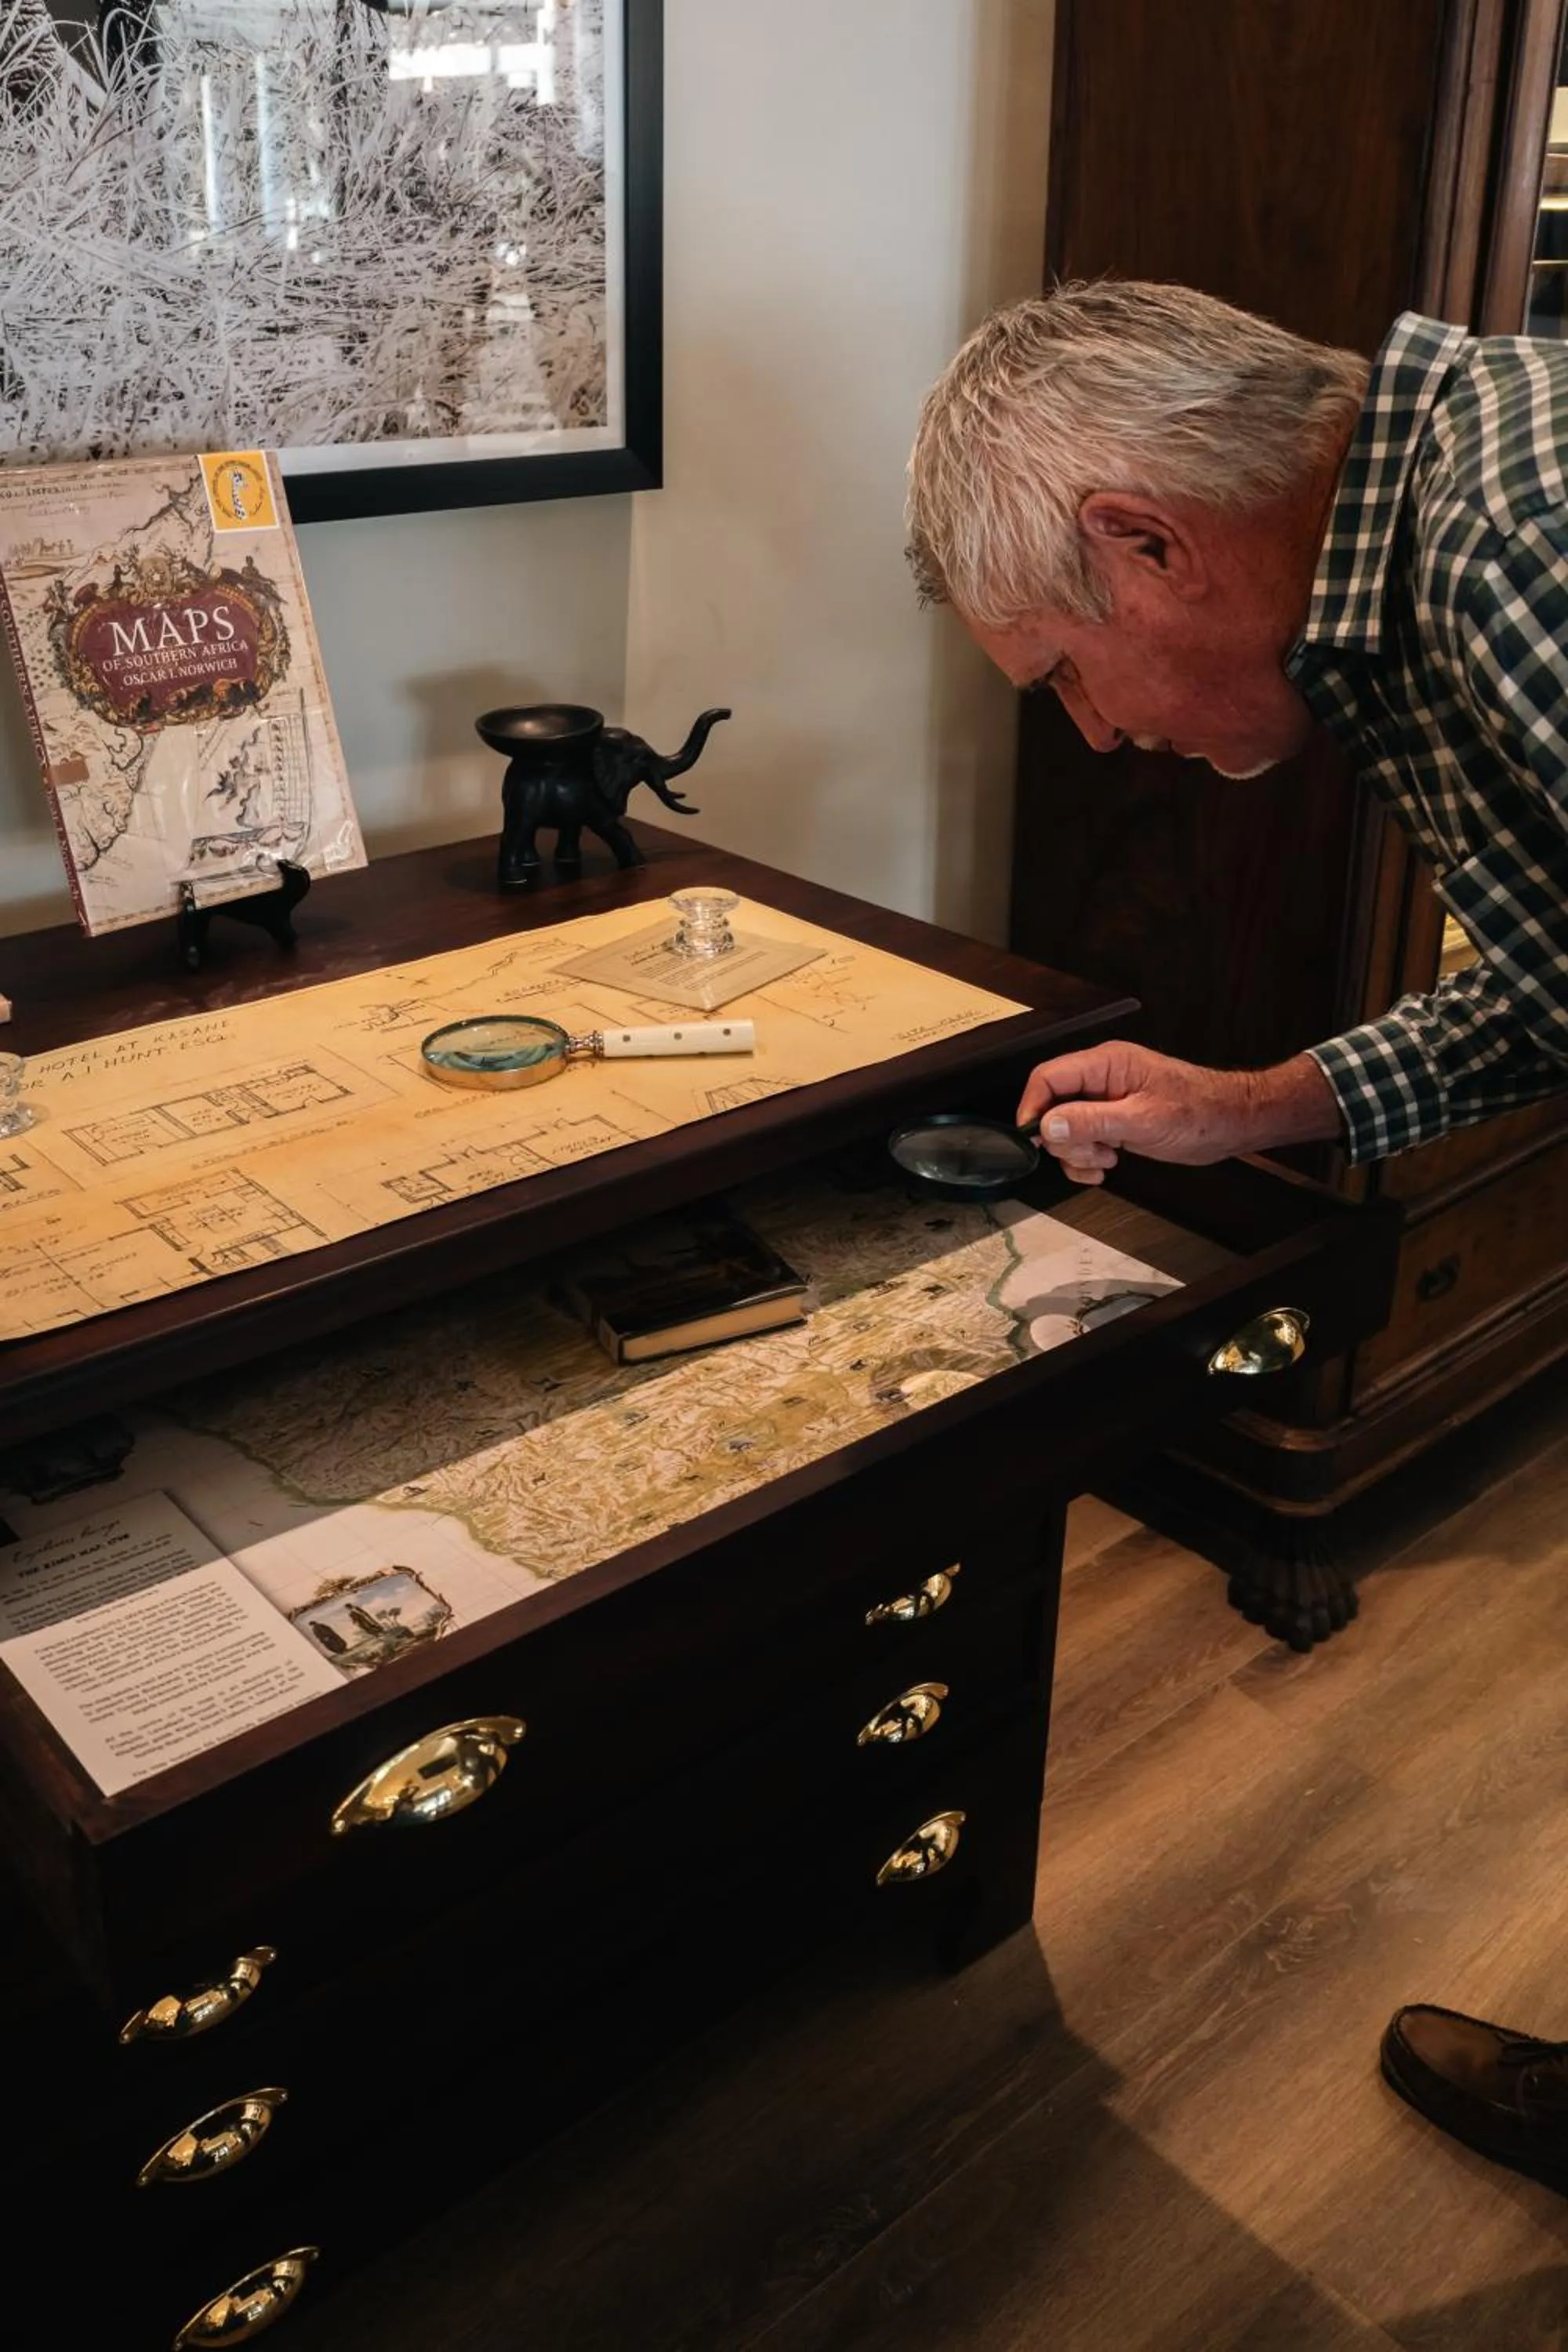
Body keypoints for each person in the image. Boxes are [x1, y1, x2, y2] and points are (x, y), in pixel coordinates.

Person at [907, 280, 1568, 2194]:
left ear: (1145, 543)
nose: (1100, 738)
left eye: (1061, 676)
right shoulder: (1427, 559)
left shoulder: (1513, 538)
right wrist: (1247, 1099)